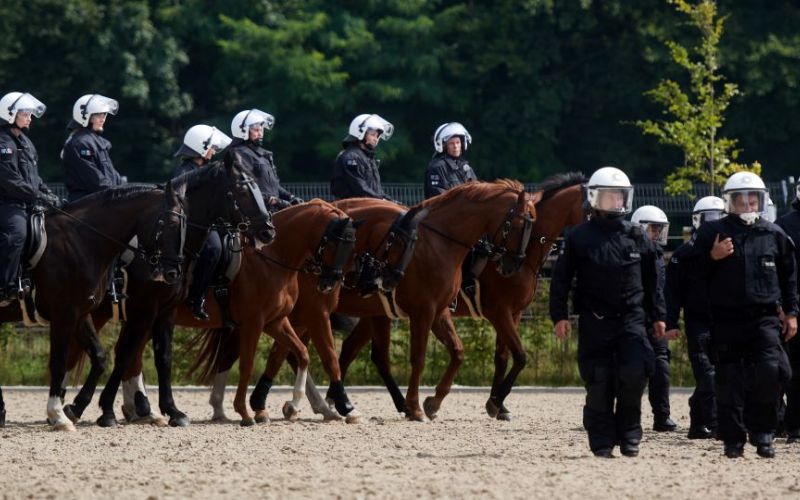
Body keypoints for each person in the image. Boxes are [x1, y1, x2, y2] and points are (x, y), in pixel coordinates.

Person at [550, 166, 664, 458]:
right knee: (599, 381)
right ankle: (601, 440)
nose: (616, 203)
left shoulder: (638, 236)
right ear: (594, 199)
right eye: (609, 197)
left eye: (620, 197)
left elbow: (654, 281)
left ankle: (629, 435)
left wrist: (659, 316)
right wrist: (559, 315)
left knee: (633, 374)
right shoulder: (578, 238)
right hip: (595, 321)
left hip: (632, 321)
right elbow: (561, 279)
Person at [690, 171, 797, 458]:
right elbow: (693, 274)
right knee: (728, 381)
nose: (748, 205)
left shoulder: (774, 234)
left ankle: (764, 433)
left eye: (753, 199)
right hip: (726, 319)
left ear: (761, 201)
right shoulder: (712, 233)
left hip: (764, 318)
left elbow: (789, 278)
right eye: (741, 200)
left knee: (771, 372)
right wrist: (713, 257)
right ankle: (733, 439)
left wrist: (791, 313)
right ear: (730, 202)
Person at [665, 196, 725, 440]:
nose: (715, 223)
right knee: (707, 374)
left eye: (719, 217)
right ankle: (706, 422)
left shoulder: (735, 248)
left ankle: (709, 422)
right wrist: (670, 322)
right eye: (709, 218)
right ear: (697, 220)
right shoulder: (683, 255)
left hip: (726, 320)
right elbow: (672, 292)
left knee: (726, 374)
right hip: (697, 322)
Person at [0, 91, 59, 303]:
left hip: (28, 201)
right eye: (25, 113)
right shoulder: (3, 144)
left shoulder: (26, 142)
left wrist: (48, 193)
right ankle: (5, 286)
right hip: (8, 203)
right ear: (10, 114)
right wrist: (37, 196)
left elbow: (34, 176)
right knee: (17, 234)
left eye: (30, 113)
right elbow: (10, 181)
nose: (30, 117)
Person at [172, 125, 233, 321]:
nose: (214, 152)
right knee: (214, 248)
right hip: (189, 226)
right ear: (201, 147)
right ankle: (195, 297)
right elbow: (178, 196)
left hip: (208, 223)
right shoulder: (185, 169)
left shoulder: (205, 169)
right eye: (211, 147)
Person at [631, 205, 676, 432]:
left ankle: (662, 416)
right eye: (653, 229)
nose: (657, 234)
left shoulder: (658, 256)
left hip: (656, 319)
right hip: (634, 319)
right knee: (631, 370)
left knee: (661, 366)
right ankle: (628, 416)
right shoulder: (629, 254)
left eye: (659, 229)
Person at [226, 109, 301, 211]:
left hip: (274, 211)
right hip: (256, 216)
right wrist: (277, 201)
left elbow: (275, 186)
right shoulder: (238, 154)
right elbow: (245, 189)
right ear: (243, 130)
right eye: (256, 130)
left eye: (262, 130)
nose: (261, 134)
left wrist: (291, 197)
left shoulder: (264, 154)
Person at [61, 94, 124, 202]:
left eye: (104, 114)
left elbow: (113, 177)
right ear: (85, 116)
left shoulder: (96, 142)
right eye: (98, 115)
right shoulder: (81, 143)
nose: (103, 119)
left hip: (101, 202)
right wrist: (120, 194)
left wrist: (129, 191)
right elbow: (96, 182)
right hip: (87, 207)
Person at [776, 182, 800, 443]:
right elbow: (780, 270)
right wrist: (783, 306)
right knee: (793, 369)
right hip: (793, 304)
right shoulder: (785, 226)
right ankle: (792, 425)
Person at [331, 114, 397, 202]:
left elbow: (376, 190)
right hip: (352, 207)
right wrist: (381, 199)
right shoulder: (351, 157)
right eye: (373, 135)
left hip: (368, 204)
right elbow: (360, 188)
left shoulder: (368, 158)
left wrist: (392, 201)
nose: (376, 139)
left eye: (377, 136)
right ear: (360, 133)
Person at [424, 122, 477, 198]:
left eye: (458, 142)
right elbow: (438, 197)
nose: (455, 146)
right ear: (444, 146)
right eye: (451, 143)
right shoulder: (436, 167)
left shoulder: (466, 167)